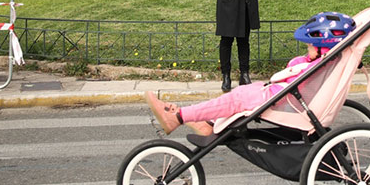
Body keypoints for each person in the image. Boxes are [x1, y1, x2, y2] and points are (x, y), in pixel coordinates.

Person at [146, 12, 355, 136]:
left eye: (311, 44)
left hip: (280, 98)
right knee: (238, 95)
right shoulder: (323, 62)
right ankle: (205, 122)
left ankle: (178, 117)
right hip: (282, 95)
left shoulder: (318, 65)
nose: (308, 46)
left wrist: (302, 61)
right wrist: (306, 59)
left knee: (236, 98)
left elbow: (297, 73)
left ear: (323, 46)